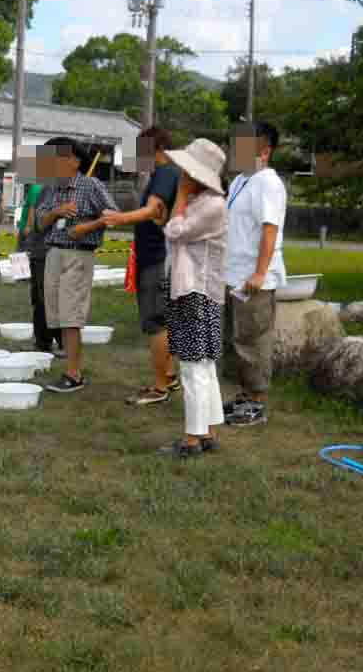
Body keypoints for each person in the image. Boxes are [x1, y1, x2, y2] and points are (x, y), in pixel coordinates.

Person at [101, 126, 182, 405]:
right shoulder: (165, 173)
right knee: (163, 321)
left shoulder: (165, 173)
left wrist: (119, 218)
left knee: (155, 322)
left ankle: (159, 388)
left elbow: (153, 210)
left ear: (157, 148)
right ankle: (169, 376)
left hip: (156, 258)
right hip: (158, 256)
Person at [160, 139, 230, 456]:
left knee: (193, 366)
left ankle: (192, 439)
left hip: (196, 291)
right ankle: (208, 432)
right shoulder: (203, 201)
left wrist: (180, 196)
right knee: (203, 365)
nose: (181, 174)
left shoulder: (211, 205)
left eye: (186, 170)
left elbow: (174, 231)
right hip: (196, 290)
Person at [37, 140, 117, 393]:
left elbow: (113, 216)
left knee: (71, 316)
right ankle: (71, 369)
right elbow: (41, 222)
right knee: (59, 315)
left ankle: (74, 375)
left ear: (75, 161)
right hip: (54, 254)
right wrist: (57, 212)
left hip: (78, 254)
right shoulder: (52, 187)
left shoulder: (91, 185)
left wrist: (86, 227)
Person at [221, 121, 287, 427]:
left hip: (253, 278)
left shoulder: (268, 183)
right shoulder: (240, 180)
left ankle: (257, 403)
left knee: (253, 340)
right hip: (233, 274)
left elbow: (269, 230)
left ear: (264, 151)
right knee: (235, 339)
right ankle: (245, 396)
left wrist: (260, 273)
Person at [16, 143, 67, 356]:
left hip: (51, 249)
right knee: (39, 297)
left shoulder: (56, 186)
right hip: (39, 248)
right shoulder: (41, 186)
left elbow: (38, 218)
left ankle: (62, 342)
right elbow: (35, 216)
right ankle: (42, 341)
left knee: (49, 297)